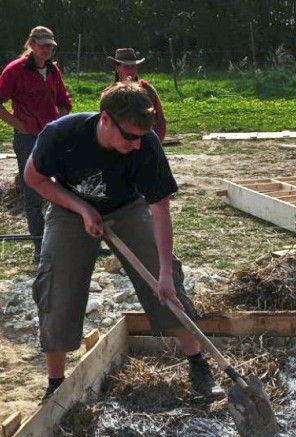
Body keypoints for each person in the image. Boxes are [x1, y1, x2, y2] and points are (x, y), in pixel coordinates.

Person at [24, 82, 221, 401]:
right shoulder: (61, 135)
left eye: (142, 137)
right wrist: (82, 209)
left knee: (164, 278)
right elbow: (33, 178)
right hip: (69, 210)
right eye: (129, 136)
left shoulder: (147, 145)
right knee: (57, 286)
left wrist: (164, 275)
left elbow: (160, 210)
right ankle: (55, 385)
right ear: (105, 119)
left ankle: (198, 364)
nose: (137, 144)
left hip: (127, 207)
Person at [0, 26, 72, 263]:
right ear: (31, 44)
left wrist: (61, 119)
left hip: (51, 136)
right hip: (27, 138)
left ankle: (62, 242)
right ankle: (40, 249)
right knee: (33, 193)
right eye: (42, 45)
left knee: (63, 187)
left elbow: (63, 100)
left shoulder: (52, 70)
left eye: (50, 45)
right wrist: (19, 125)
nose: (46, 49)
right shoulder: (14, 70)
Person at [108, 48, 166, 142]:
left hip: (146, 141)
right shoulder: (110, 94)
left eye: (133, 67)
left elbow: (160, 120)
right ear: (117, 68)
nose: (131, 70)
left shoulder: (147, 90)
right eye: (126, 67)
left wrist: (155, 142)